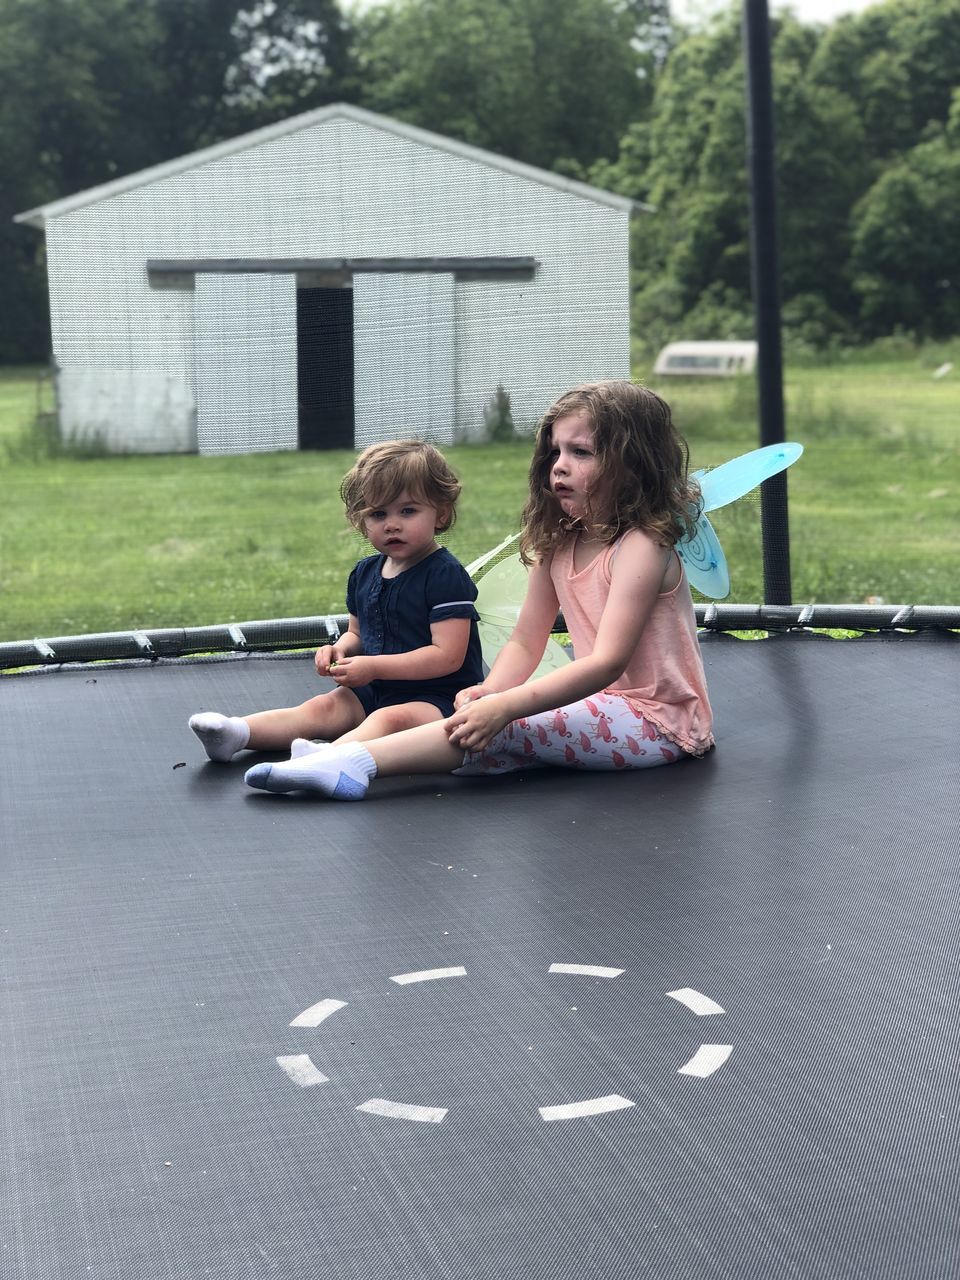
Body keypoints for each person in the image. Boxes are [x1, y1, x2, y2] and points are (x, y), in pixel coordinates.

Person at [243, 381, 715, 800]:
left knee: (495, 729)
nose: (560, 467)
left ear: (633, 465)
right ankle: (339, 753)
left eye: (582, 453)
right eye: (555, 452)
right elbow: (528, 640)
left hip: (657, 724)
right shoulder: (561, 539)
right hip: (597, 706)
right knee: (479, 725)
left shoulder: (642, 546)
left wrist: (505, 707)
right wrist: (490, 691)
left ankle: (351, 762)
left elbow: (605, 662)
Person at [189, 440, 484, 762]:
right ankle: (236, 733)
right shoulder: (365, 572)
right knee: (322, 707)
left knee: (388, 720)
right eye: (378, 513)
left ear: (440, 513)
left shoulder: (444, 575)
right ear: (361, 520)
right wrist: (340, 649)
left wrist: (372, 667)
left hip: (438, 700)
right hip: (377, 688)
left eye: (408, 510)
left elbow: (448, 657)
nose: (392, 524)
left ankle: (327, 760)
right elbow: (358, 634)